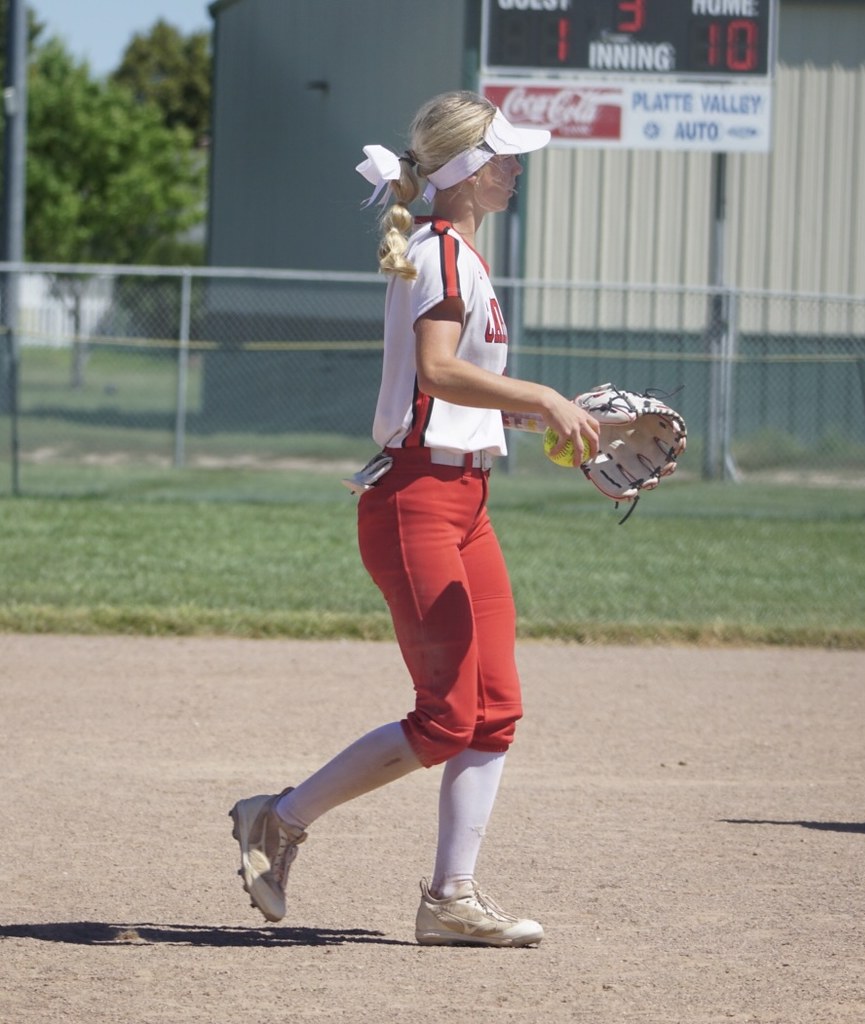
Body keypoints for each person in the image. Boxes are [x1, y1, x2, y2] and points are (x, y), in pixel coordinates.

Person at [229, 90, 599, 947]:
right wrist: (541, 392)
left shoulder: (463, 256)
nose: (515, 170)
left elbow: (463, 402)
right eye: (504, 158)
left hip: (465, 498)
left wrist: (577, 421)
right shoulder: (442, 254)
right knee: (446, 717)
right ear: (468, 172)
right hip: (415, 502)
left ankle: (451, 900)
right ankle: (277, 819)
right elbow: (437, 376)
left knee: (494, 708)